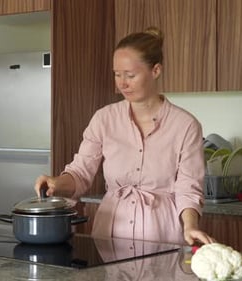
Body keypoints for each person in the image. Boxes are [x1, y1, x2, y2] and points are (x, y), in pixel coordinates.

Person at [35, 26, 214, 246]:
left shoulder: (185, 125)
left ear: (155, 70)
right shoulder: (104, 119)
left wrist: (190, 226)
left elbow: (188, 187)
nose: (122, 83)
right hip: (109, 235)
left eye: (130, 75)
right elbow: (81, 173)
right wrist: (56, 182)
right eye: (117, 74)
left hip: (161, 234)